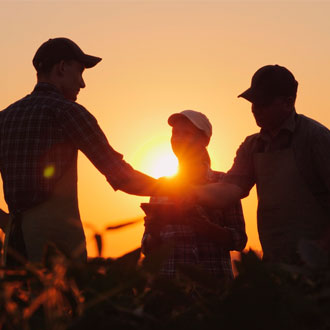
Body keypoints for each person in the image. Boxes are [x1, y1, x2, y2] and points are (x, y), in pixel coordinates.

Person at [0, 37, 163, 266]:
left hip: (14, 251)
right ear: (62, 67)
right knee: (63, 302)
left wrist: (9, 224)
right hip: (57, 253)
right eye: (80, 72)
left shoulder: (5, 118)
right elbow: (121, 176)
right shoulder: (68, 112)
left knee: (21, 302)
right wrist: (175, 190)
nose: (83, 83)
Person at [190, 65, 330, 264]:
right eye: (253, 102)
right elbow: (228, 190)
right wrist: (184, 192)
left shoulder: (316, 138)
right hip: (276, 263)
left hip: (320, 269)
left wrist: (320, 251)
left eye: (263, 103)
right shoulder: (253, 146)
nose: (255, 109)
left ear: (288, 102)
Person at [141, 110, 247, 279]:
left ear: (205, 140)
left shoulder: (223, 183)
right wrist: (154, 231)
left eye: (187, 133)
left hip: (213, 287)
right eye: (175, 133)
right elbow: (147, 248)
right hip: (170, 287)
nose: (179, 138)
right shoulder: (160, 186)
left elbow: (239, 240)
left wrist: (205, 227)